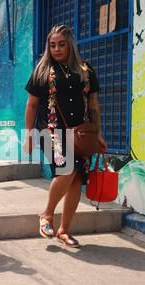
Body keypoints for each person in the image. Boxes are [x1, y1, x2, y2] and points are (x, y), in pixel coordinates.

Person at [23, 25, 107, 248]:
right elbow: (31, 105)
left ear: (70, 44)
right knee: (67, 169)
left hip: (79, 133)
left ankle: (64, 230)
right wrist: (29, 135)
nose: (57, 49)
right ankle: (47, 215)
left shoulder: (85, 70)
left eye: (61, 44)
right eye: (52, 45)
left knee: (77, 180)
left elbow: (93, 105)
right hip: (50, 130)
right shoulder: (42, 71)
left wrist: (98, 134)